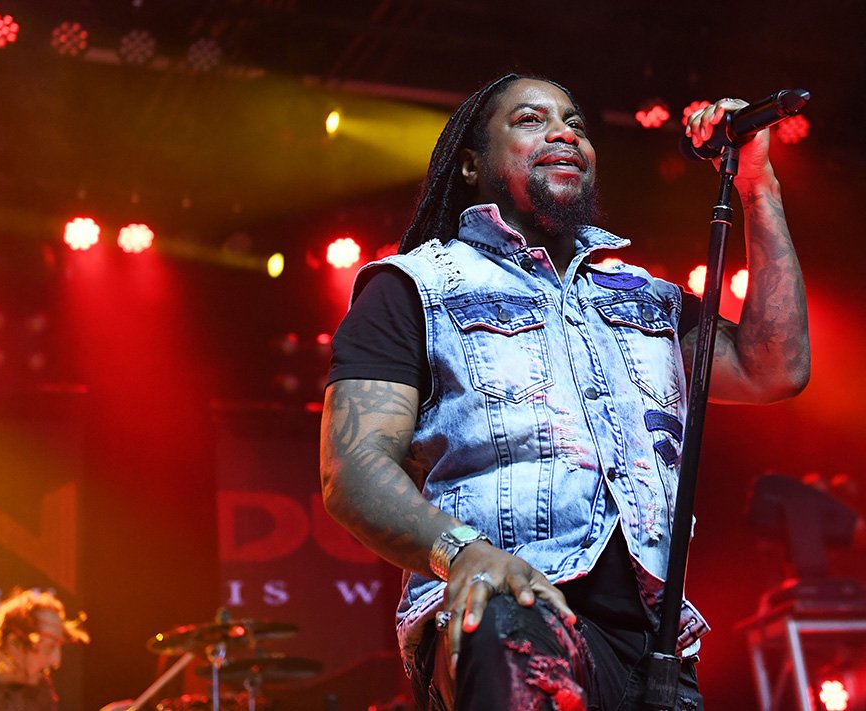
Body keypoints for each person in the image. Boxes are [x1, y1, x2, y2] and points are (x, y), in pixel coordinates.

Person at [320, 73, 810, 709]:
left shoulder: (643, 298)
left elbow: (774, 366)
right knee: (511, 622)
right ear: (471, 165)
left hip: (655, 653)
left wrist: (756, 186)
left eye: (576, 123)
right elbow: (352, 470)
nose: (563, 133)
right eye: (529, 119)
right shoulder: (413, 286)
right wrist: (464, 556)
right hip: (508, 612)